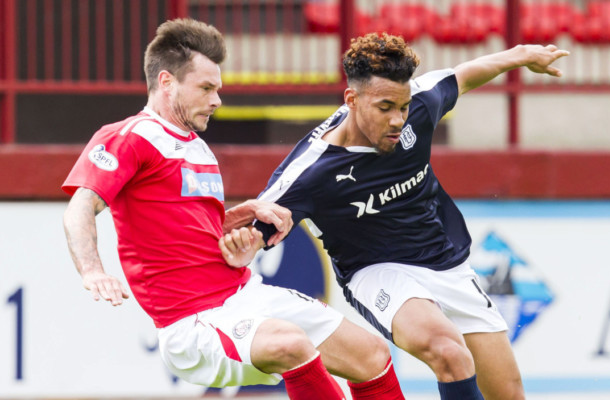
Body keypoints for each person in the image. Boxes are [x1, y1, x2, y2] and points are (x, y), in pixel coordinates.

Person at [62, 19, 406, 400]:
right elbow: (80, 207)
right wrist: (93, 271)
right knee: (290, 343)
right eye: (206, 88)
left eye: (218, 89)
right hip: (192, 322)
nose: (217, 100)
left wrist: (246, 214)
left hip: (244, 295)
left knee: (372, 354)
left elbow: (193, 228)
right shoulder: (129, 137)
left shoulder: (196, 146)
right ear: (166, 82)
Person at [256, 33, 570, 400]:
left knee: (510, 394)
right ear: (352, 100)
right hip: (376, 270)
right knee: (448, 351)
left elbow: (463, 75)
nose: (398, 121)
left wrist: (519, 55)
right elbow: (251, 230)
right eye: (385, 107)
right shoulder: (311, 170)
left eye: (402, 108)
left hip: (445, 264)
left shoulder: (419, 104)